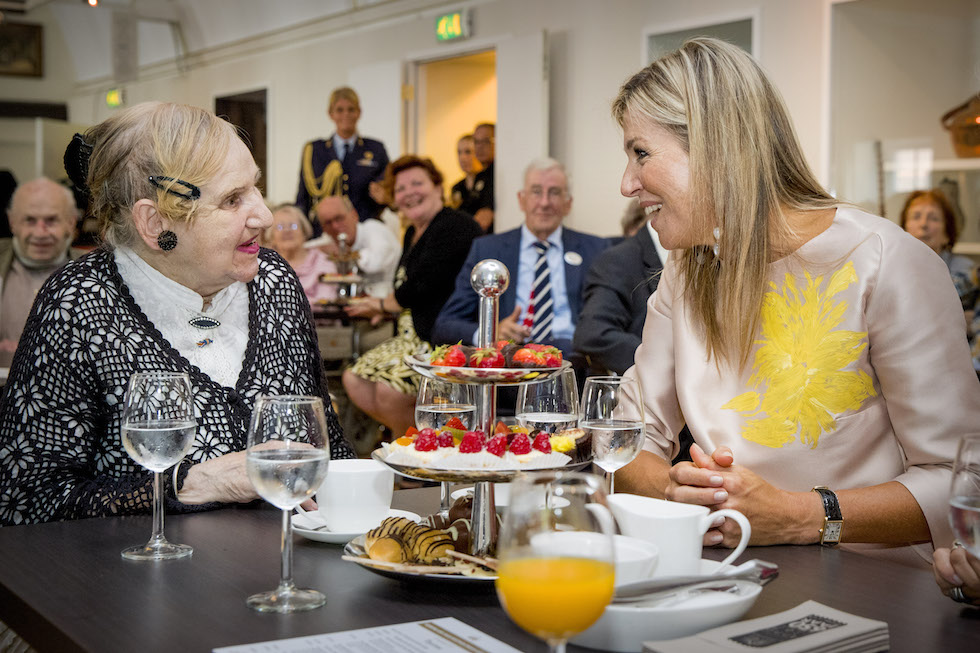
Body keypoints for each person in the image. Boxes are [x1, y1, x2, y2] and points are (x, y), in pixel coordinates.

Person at [611, 38, 980, 567]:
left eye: (641, 153)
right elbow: (629, 439)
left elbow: (961, 479)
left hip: (872, 585)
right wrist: (677, 492)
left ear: (716, 147)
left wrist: (799, 515)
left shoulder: (885, 262)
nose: (627, 183)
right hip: (727, 574)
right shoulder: (688, 271)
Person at [0, 101, 354, 527]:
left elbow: (329, 449)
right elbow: (25, 502)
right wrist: (188, 484)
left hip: (288, 563)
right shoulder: (78, 303)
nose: (264, 216)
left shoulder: (273, 279)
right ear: (155, 223)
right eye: (232, 199)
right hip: (139, 569)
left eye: (256, 188)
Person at [342, 155, 482, 438]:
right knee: (353, 379)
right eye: (401, 188)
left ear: (438, 187)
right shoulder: (411, 234)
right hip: (409, 335)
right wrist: (385, 308)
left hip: (441, 339)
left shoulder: (455, 226)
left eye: (417, 183)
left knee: (389, 391)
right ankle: (413, 440)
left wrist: (383, 304)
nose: (409, 193)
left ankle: (421, 446)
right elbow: (409, 287)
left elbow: (423, 286)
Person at [432, 158, 608, 356]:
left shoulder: (595, 249)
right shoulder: (487, 250)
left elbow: (608, 321)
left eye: (554, 192)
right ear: (521, 200)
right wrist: (491, 333)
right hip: (511, 362)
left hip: (573, 360)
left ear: (568, 203)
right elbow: (445, 325)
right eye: (536, 192)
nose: (544, 202)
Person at [573, 206, 665, 375]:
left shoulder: (703, 253)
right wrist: (664, 363)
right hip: (645, 385)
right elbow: (593, 333)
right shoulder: (619, 259)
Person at [0, 177, 82, 367]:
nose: (40, 233)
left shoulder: (98, 272)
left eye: (51, 221)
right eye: (29, 220)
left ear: (71, 223)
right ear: (12, 222)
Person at [295, 87, 389, 223]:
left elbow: (388, 193)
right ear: (330, 113)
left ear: (359, 112)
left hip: (364, 226)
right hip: (325, 227)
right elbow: (303, 198)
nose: (346, 114)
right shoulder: (314, 150)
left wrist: (385, 197)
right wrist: (301, 227)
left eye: (351, 109)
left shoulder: (375, 149)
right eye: (339, 110)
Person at [900, 189, 977, 332]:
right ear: (903, 229)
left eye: (934, 218)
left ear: (947, 234)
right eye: (916, 217)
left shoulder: (966, 271)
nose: (923, 224)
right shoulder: (890, 270)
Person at [312, 195, 400, 298]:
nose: (335, 226)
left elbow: (375, 263)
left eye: (339, 218)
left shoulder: (373, 229)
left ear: (354, 215)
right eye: (328, 223)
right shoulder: (329, 241)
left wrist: (345, 254)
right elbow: (305, 247)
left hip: (391, 298)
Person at [266, 203, 337, 305]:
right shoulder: (266, 266)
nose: (287, 231)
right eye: (280, 227)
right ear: (272, 237)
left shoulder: (323, 263)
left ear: (304, 232)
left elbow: (326, 301)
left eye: (293, 226)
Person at [449, 134, 487, 220]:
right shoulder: (457, 187)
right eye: (459, 152)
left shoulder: (489, 182)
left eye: (468, 152)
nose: (462, 158)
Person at [470, 123, 496, 232]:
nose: (480, 146)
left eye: (486, 141)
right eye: (476, 142)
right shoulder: (480, 176)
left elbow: (484, 218)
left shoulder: (498, 174)